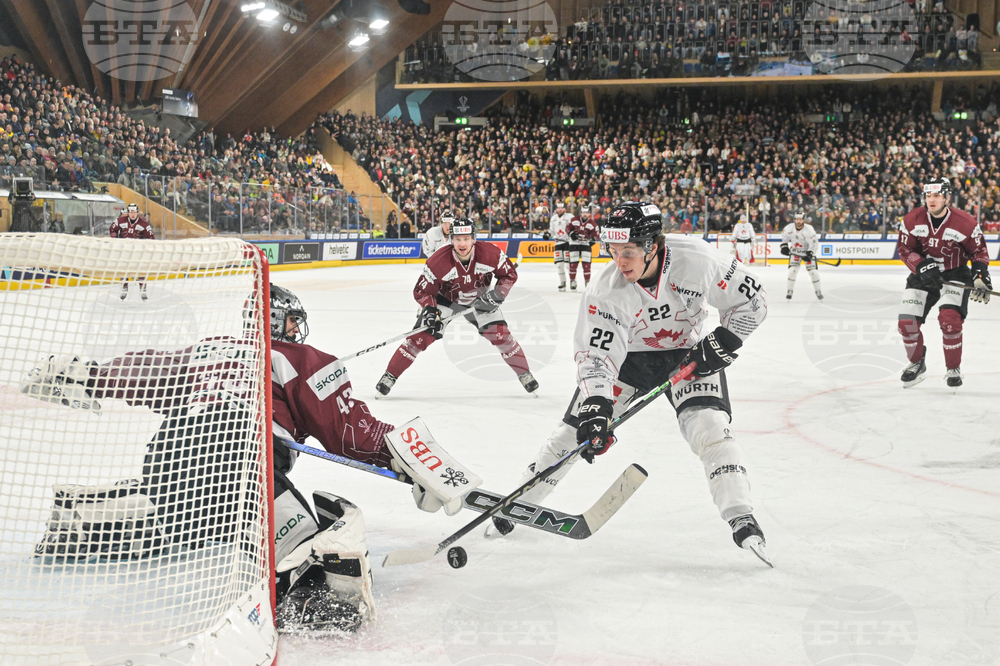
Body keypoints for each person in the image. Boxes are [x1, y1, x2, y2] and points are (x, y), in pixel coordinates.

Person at [20, 284, 465, 633]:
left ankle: (91, 520)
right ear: (274, 319)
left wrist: (91, 377)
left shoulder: (210, 348)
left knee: (200, 515)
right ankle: (310, 594)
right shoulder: (301, 358)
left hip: (165, 455)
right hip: (240, 452)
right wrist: (400, 455)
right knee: (306, 539)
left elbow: (145, 371)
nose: (296, 330)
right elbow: (348, 432)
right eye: (291, 321)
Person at [491, 201, 771, 564]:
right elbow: (596, 357)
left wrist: (725, 341)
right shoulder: (605, 290)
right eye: (612, 251)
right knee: (571, 435)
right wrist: (595, 407)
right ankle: (517, 504)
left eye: (628, 252)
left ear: (652, 246)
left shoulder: (698, 260)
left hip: (689, 356)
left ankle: (741, 516)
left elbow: (754, 301)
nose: (619, 262)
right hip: (627, 364)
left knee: (711, 428)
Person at [376, 216, 538, 396]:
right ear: (451, 239)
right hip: (445, 300)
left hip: (481, 299)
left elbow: (509, 275)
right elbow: (422, 291)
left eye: (467, 239)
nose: (462, 243)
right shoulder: (438, 261)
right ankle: (389, 376)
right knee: (419, 338)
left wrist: (497, 294)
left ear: (473, 238)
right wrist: (430, 311)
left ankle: (525, 374)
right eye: (458, 239)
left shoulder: (490, 254)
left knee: (501, 336)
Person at [896, 177, 992, 388]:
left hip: (955, 274)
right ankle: (916, 363)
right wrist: (921, 266)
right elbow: (904, 249)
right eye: (929, 195)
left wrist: (979, 274)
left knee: (950, 320)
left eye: (937, 195)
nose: (932, 200)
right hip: (922, 275)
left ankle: (953, 368)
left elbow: (979, 252)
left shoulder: (965, 222)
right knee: (906, 324)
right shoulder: (912, 220)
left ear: (947, 197)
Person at [109, 203, 155, 300]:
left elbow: (151, 237)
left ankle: (143, 289)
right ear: (128, 212)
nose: (132, 214)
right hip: (124, 250)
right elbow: (112, 229)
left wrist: (147, 247)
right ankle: (124, 287)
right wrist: (115, 239)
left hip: (138, 252)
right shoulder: (120, 221)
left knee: (141, 270)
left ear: (137, 212)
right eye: (131, 212)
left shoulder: (144, 224)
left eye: (134, 212)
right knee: (123, 269)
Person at [780, 211, 823, 300]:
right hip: (795, 252)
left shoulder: (809, 229)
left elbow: (814, 243)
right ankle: (789, 291)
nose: (798, 221)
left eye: (800, 219)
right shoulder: (789, 228)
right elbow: (784, 238)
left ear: (804, 220)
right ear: (794, 219)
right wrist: (784, 246)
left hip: (807, 252)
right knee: (792, 271)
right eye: (797, 219)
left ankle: (818, 291)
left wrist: (810, 253)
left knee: (813, 272)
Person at [566, 204, 599, 290]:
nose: (585, 214)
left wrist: (593, 240)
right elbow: (567, 228)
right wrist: (571, 234)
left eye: (586, 212)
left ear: (589, 214)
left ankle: (587, 282)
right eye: (583, 212)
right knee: (573, 264)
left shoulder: (593, 224)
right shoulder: (574, 220)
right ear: (580, 213)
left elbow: (596, 235)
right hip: (574, 244)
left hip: (585, 245)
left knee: (586, 265)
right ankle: (572, 281)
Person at [545, 201, 574, 291]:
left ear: (565, 209)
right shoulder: (553, 218)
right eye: (558, 207)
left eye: (562, 207)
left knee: (569, 265)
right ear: (556, 209)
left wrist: (573, 234)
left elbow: (575, 228)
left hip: (567, 243)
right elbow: (552, 231)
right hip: (558, 243)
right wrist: (547, 234)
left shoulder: (570, 217)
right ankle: (562, 282)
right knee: (559, 265)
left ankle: (573, 281)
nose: (560, 209)